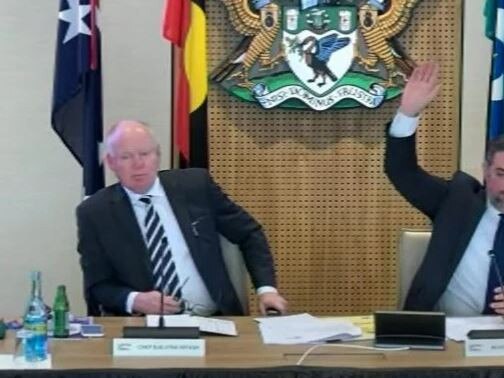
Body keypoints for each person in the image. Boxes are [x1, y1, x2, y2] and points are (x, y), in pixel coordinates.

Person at [76, 120, 288, 316]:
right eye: (126, 157)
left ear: (158, 155)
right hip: (144, 329)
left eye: (145, 154)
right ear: (111, 162)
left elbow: (249, 233)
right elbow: (97, 286)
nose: (138, 164)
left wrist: (266, 290)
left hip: (216, 322)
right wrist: (134, 300)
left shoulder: (195, 186)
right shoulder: (95, 212)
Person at [385, 61, 504, 316]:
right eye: (501, 174)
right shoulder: (458, 201)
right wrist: (407, 114)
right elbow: (403, 172)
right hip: (447, 338)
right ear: (485, 170)